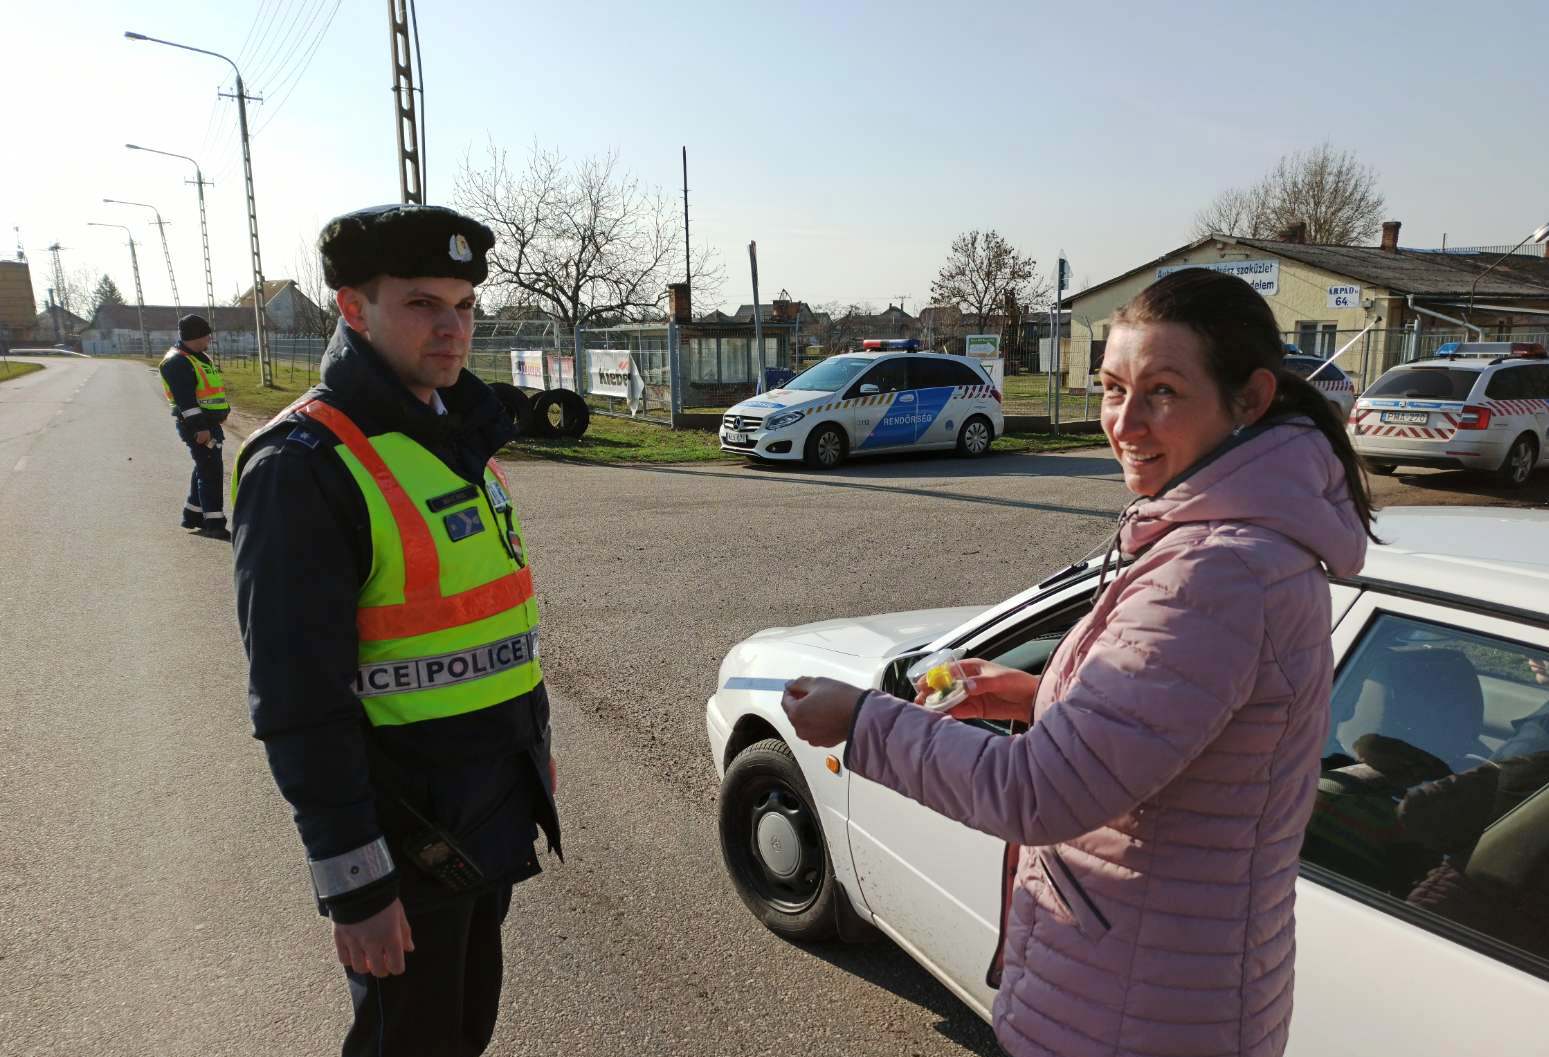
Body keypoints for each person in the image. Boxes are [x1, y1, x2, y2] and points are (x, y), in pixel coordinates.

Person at [783, 268, 1376, 1057]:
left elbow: (1038, 793)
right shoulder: (1232, 545)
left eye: (1163, 391)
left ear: (1251, 399)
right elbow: (1190, 735)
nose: (1124, 422)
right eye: (1110, 387)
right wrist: (1035, 694)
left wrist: (861, 721)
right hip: (1150, 989)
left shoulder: (1219, 571)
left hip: (1135, 1011)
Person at [231, 204, 560, 1057]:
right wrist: (355, 884)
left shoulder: (456, 432)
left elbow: (494, 619)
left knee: (461, 1033)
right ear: (351, 307)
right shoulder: (305, 466)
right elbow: (298, 702)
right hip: (403, 838)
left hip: (485, 808)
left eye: (465, 304)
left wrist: (535, 744)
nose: (453, 329)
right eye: (421, 304)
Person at [158, 313, 230, 539]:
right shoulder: (177, 362)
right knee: (211, 472)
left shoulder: (198, 357)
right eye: (206, 336)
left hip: (209, 424)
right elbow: (186, 402)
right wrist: (200, 428)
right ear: (195, 337)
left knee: (205, 467)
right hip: (198, 427)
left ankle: (193, 515)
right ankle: (214, 523)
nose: (208, 340)